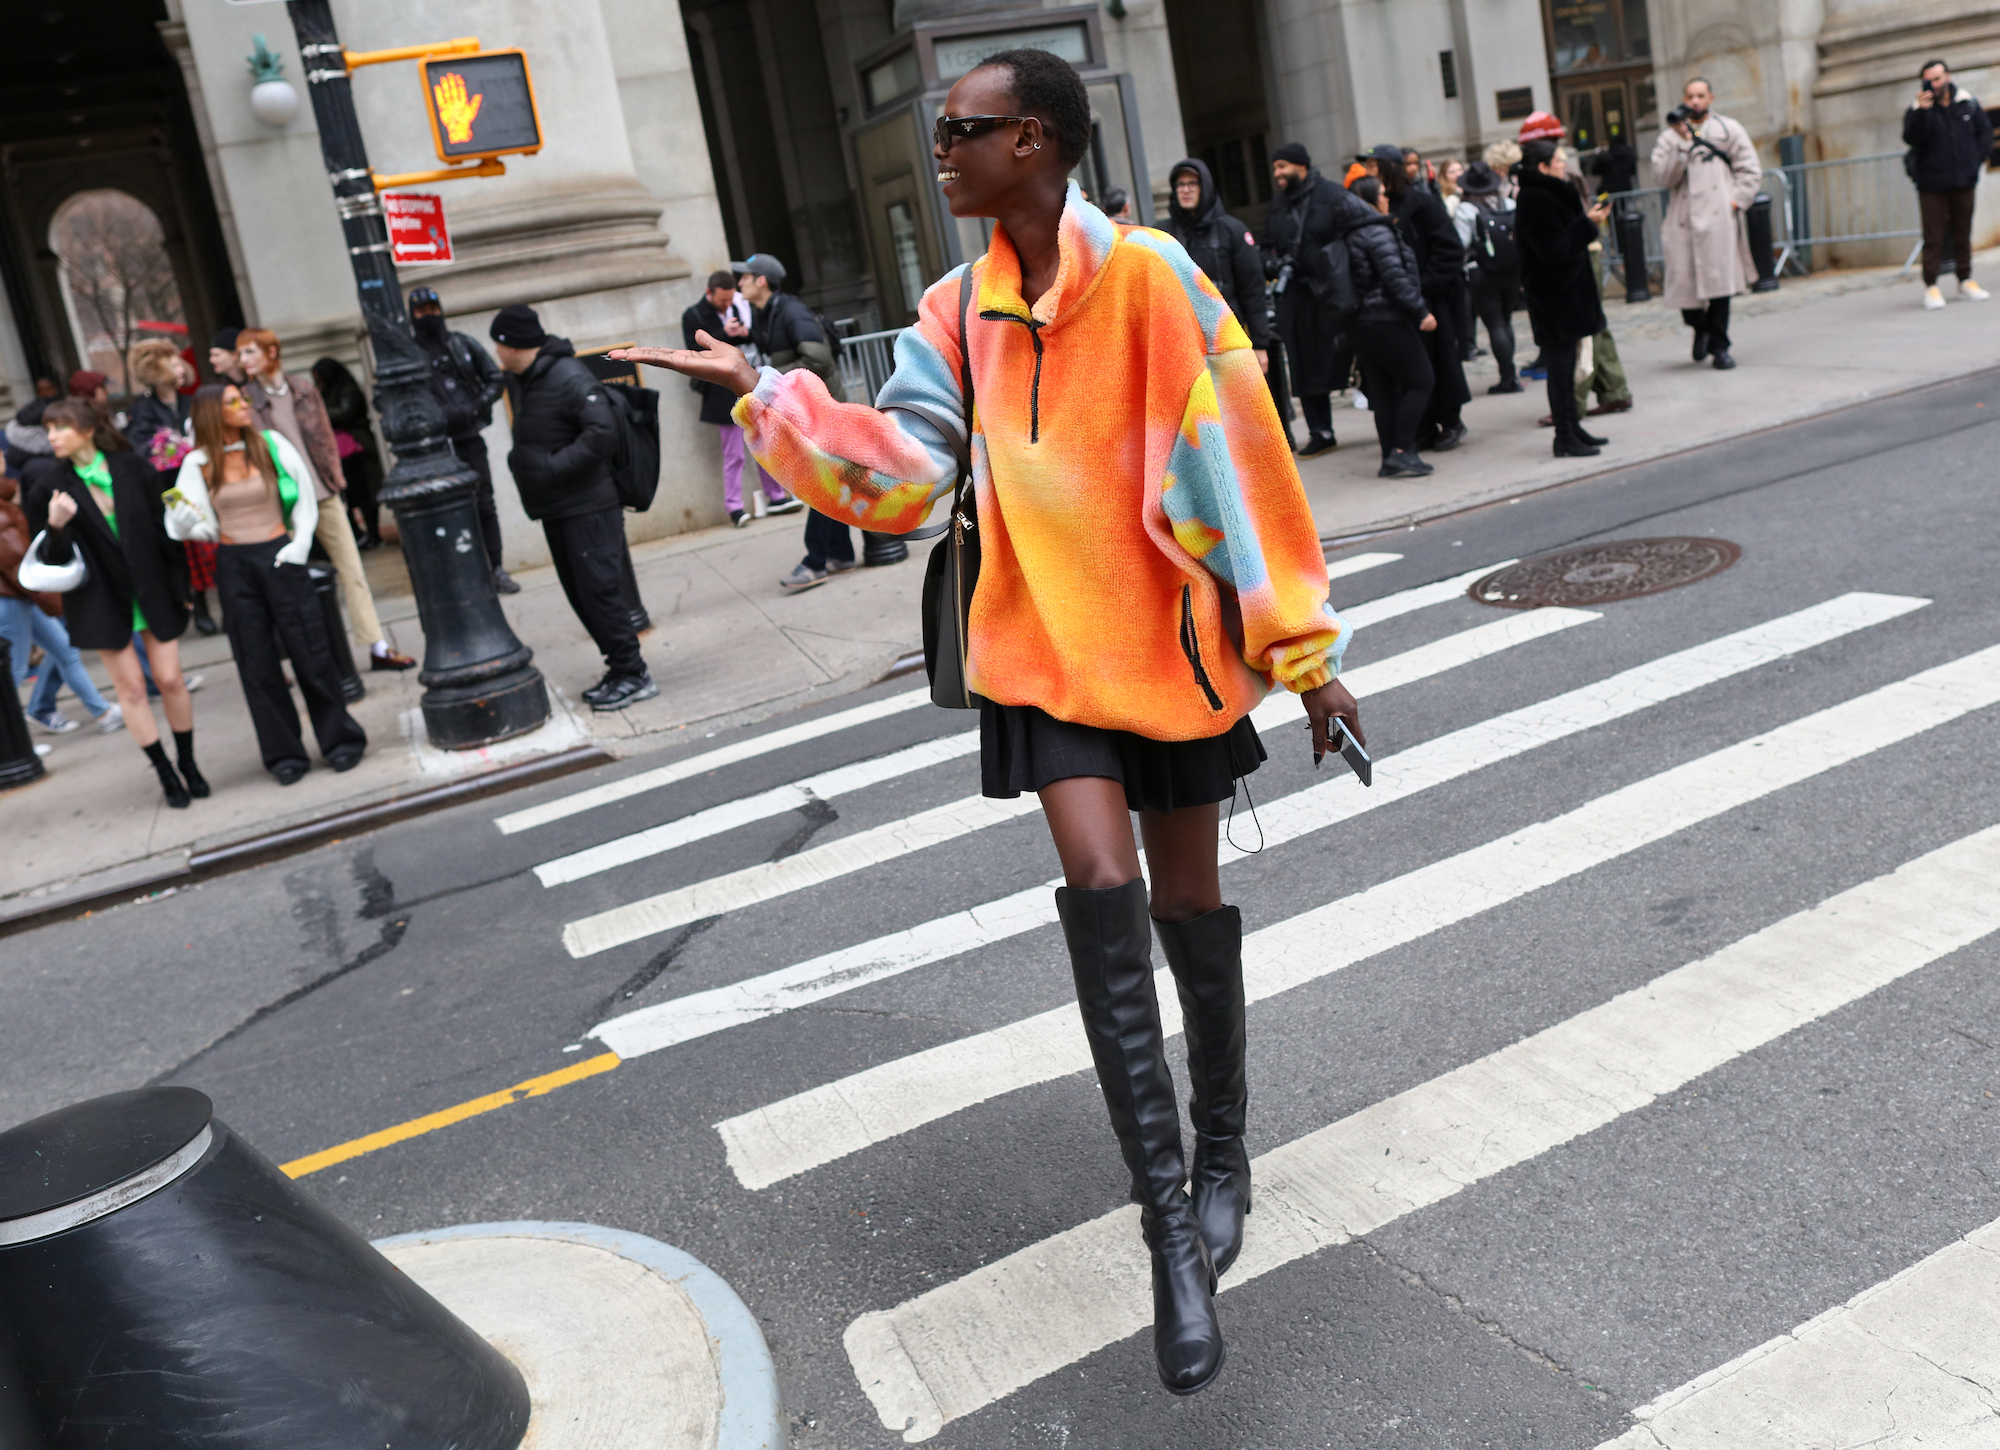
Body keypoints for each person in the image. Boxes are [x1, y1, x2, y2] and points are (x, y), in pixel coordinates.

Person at [616, 45, 1361, 1398]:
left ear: (1045, 145)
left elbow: (1244, 475)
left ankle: (1226, 1149)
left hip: (1170, 653)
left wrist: (1307, 661)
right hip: (1037, 651)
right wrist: (768, 398)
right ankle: (1168, 1240)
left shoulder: (1153, 282)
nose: (942, 147)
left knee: (1191, 910)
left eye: (969, 129)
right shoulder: (955, 310)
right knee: (1099, 884)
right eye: (943, 127)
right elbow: (903, 482)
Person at [166, 383, 367, 782]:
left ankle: (340, 741)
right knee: (256, 662)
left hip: (281, 552)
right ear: (211, 413)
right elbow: (185, 520)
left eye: (242, 399)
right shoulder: (198, 462)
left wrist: (302, 542)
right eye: (233, 402)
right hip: (235, 563)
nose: (244, 406)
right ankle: (283, 755)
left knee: (311, 650)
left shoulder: (270, 444)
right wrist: (187, 522)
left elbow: (306, 496)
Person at [22, 399, 204, 805]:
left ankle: (188, 763)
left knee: (171, 679)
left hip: (154, 591)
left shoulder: (133, 468)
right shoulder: (47, 486)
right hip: (101, 600)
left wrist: (183, 589)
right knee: (133, 689)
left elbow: (167, 535)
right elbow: (49, 562)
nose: (51, 436)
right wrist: (55, 526)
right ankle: (165, 774)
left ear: (87, 429)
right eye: (48, 429)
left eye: (59, 427)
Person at [490, 303, 656, 711]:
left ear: (514, 344)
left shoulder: (566, 376)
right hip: (559, 507)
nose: (495, 351)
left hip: (587, 507)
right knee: (582, 595)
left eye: (499, 343)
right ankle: (619, 669)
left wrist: (550, 469)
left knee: (601, 593)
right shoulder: (528, 378)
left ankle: (634, 674)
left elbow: (604, 430)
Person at [237, 329, 415, 670]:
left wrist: (334, 478)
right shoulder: (246, 400)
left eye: (249, 352)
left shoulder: (304, 390)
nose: (243, 360)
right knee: (286, 579)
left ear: (271, 352)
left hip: (322, 492)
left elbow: (325, 438)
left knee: (352, 569)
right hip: (283, 502)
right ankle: (299, 660)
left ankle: (378, 647)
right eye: (241, 354)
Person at [732, 253, 857, 590]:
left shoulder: (791, 311)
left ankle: (815, 561)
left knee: (820, 485)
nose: (738, 281)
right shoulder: (766, 314)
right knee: (828, 481)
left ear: (762, 281)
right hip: (806, 411)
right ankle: (841, 553)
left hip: (823, 410)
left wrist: (767, 379)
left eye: (745, 276)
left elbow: (817, 358)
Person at [1264, 141, 1373, 455]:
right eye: (1275, 168)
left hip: (1333, 296)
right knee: (1303, 363)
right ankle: (1320, 430)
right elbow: (1266, 244)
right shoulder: (1278, 205)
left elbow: (1357, 235)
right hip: (1296, 301)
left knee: (1350, 356)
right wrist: (1271, 263)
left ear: (1301, 166)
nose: (1277, 174)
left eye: (1282, 167)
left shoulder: (1333, 195)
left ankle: (1387, 416)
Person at [1, 466, 122, 736]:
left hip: (22, 594)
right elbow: (14, 562)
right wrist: (48, 596)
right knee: (13, 671)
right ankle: (13, 746)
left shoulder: (5, 495)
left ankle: (102, 712)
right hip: (11, 597)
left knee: (66, 651)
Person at [407, 287, 516, 587]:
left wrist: (477, 406)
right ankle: (460, 573)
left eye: (433, 310)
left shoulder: (461, 344)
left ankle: (495, 569)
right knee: (445, 508)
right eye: (421, 312)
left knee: (483, 503)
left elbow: (495, 378)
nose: (429, 316)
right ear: (412, 315)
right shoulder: (408, 354)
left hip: (469, 437)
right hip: (436, 446)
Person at [1650, 78, 1761, 369]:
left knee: (1720, 286)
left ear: (1711, 97)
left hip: (1718, 218)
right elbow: (1663, 178)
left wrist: (1734, 200)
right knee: (1685, 291)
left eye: (1701, 95)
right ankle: (1700, 328)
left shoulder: (1729, 129)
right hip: (1683, 220)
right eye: (1690, 96)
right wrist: (1683, 146)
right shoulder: (1669, 138)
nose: (1696, 101)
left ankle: (1720, 346)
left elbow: (1750, 169)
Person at [681, 270, 804, 528]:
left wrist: (742, 331)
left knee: (764, 443)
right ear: (709, 293)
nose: (727, 305)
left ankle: (776, 496)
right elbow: (695, 354)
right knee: (733, 453)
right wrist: (724, 332)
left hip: (748, 386)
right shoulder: (693, 316)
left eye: (730, 299)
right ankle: (734, 507)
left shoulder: (741, 306)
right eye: (722, 301)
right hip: (719, 392)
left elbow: (756, 338)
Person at [1515, 138, 1613, 457]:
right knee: (1559, 368)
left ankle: (1572, 426)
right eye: (1559, 161)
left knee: (1567, 365)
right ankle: (1564, 434)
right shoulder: (1535, 198)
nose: (1564, 166)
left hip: (1567, 293)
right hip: (1554, 298)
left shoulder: (1551, 192)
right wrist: (1589, 224)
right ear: (1543, 167)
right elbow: (1553, 249)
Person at [1375, 144, 1469, 452]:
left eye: (1375, 167)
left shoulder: (1420, 202)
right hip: (1405, 304)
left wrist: (1424, 287)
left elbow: (1450, 250)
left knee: (1441, 362)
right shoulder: (1381, 206)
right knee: (1415, 369)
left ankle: (1451, 421)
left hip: (1429, 300)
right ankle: (1425, 426)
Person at [1346, 176, 1438, 477]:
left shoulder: (1351, 232)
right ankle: (1401, 450)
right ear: (1370, 200)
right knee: (1421, 380)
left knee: (1383, 391)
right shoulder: (1376, 231)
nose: (1387, 199)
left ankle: (1390, 457)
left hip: (1362, 323)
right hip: (1387, 317)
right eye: (1382, 194)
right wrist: (1421, 311)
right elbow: (1395, 278)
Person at [1160, 159, 1273, 377]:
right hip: (1181, 343)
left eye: (1193, 183)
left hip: (1227, 339)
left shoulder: (1232, 230)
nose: (1185, 189)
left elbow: (1252, 291)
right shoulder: (1162, 234)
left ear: (1206, 186)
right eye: (1180, 184)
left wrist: (1260, 344)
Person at [1904, 59, 1994, 309]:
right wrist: (1922, 112)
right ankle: (1931, 286)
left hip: (1963, 180)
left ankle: (1965, 279)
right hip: (1931, 183)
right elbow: (1911, 138)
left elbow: (1984, 133)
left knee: (1962, 233)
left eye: (1938, 78)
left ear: (1948, 76)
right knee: (1933, 236)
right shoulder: (1918, 109)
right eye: (1930, 79)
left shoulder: (1967, 102)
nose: (1935, 83)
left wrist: (1975, 160)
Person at [1456, 162, 1523, 393]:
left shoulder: (1466, 209)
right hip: (1512, 270)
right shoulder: (1509, 204)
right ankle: (1511, 374)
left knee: (1494, 324)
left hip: (1481, 272)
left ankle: (1507, 377)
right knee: (1506, 321)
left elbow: (1461, 243)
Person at [311, 356, 387, 554]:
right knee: (347, 496)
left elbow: (344, 413)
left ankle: (372, 534)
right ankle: (359, 535)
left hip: (355, 449)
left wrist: (319, 412)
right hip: (337, 451)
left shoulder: (348, 389)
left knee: (363, 495)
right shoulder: (324, 392)